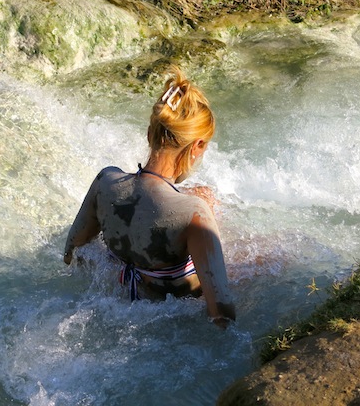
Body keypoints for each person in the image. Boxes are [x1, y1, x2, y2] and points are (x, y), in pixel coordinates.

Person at [64, 66, 236, 327]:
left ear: (149, 134)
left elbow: (72, 253)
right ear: (197, 147)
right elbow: (222, 315)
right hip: (170, 324)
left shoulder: (106, 182)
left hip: (114, 310)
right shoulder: (193, 213)